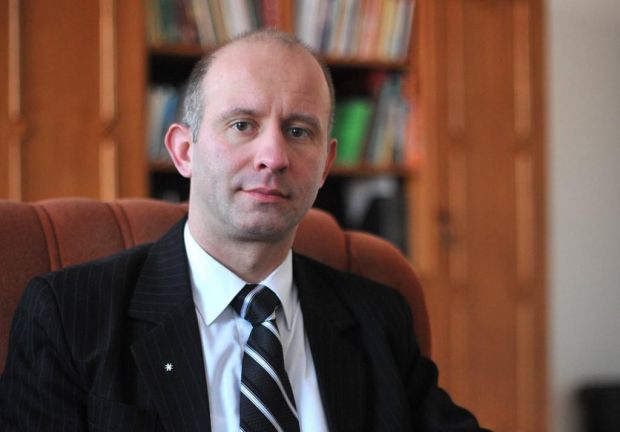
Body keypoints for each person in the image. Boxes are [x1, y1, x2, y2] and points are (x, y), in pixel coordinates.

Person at [0, 29, 490, 431]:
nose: (273, 157)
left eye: (298, 131)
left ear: (324, 166)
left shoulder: (378, 319)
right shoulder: (69, 316)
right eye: (242, 125)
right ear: (184, 151)